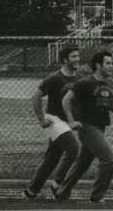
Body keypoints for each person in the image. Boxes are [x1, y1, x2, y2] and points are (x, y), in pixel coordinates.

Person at [51, 50, 113, 204]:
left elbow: (111, 106)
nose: (112, 66)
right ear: (98, 65)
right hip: (87, 127)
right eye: (108, 63)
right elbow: (66, 100)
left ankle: (61, 192)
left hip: (101, 127)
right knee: (108, 159)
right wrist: (72, 121)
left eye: (112, 63)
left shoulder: (110, 83)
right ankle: (97, 196)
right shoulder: (85, 83)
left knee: (82, 163)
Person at [23, 46, 81, 201]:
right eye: (74, 56)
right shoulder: (54, 79)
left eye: (78, 56)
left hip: (67, 123)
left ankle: (31, 190)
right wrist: (41, 119)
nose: (78, 59)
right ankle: (58, 184)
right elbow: (36, 97)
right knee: (74, 149)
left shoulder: (78, 78)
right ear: (65, 60)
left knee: (52, 158)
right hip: (54, 121)